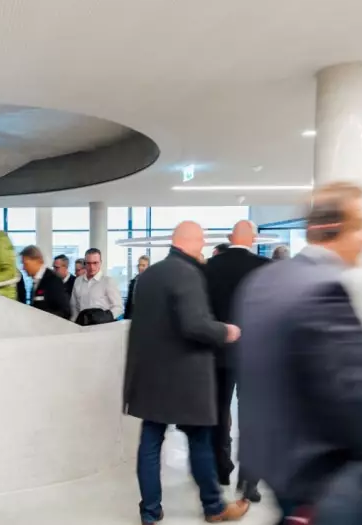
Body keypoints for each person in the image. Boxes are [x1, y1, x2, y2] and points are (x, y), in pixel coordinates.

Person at [236, 183, 362, 524]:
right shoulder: (325, 290)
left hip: (273, 461)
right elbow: (350, 396)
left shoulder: (264, 281)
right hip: (323, 476)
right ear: (336, 229)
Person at [123, 221, 249, 524]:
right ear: (188, 241)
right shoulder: (188, 274)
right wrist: (226, 331)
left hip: (151, 376)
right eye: (201, 239)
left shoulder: (148, 275)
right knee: (200, 440)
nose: (203, 245)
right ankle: (214, 507)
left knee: (150, 443)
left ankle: (150, 512)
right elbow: (194, 325)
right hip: (185, 379)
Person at [204, 220, 270, 501]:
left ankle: (221, 470)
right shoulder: (265, 267)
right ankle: (250, 481)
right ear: (253, 239)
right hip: (254, 354)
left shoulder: (210, 267)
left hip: (218, 350)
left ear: (230, 237)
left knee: (219, 413)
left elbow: (203, 311)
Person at [69, 248, 123, 325]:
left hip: (102, 327)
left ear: (100, 263)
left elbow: (118, 307)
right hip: (82, 327)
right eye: (89, 263)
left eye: (95, 263)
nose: (92, 267)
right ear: (85, 263)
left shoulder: (108, 281)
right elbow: (74, 306)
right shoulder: (78, 281)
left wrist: (105, 318)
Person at [20, 246, 71, 319]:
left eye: (25, 264)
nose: (23, 268)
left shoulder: (53, 280)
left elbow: (64, 311)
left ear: (36, 260)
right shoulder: (35, 281)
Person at [124, 254, 149, 320]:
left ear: (148, 267)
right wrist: (126, 317)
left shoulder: (152, 282)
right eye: (139, 265)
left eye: (143, 265)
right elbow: (129, 301)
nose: (140, 268)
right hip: (132, 314)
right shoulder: (133, 281)